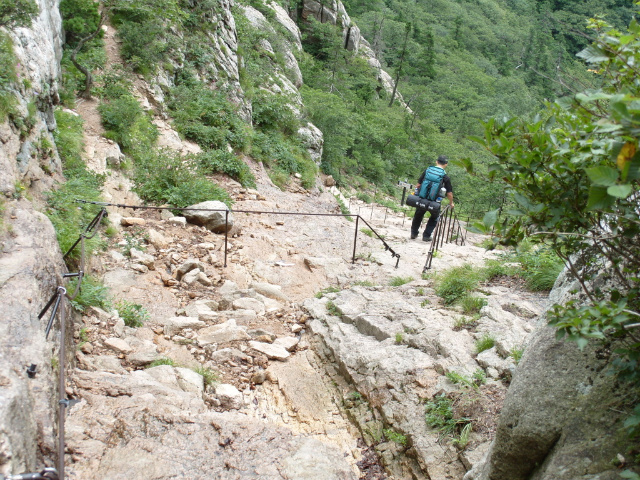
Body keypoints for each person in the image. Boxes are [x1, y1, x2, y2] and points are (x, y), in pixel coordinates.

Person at [410, 155, 455, 241]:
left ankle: (413, 233)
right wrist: (451, 203)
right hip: (435, 201)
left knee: (418, 215)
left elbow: (419, 184)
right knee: (434, 217)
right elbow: (449, 193)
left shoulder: (427, 170)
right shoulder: (445, 177)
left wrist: (417, 193)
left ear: (436, 162)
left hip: (422, 198)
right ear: (446, 164)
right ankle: (426, 236)